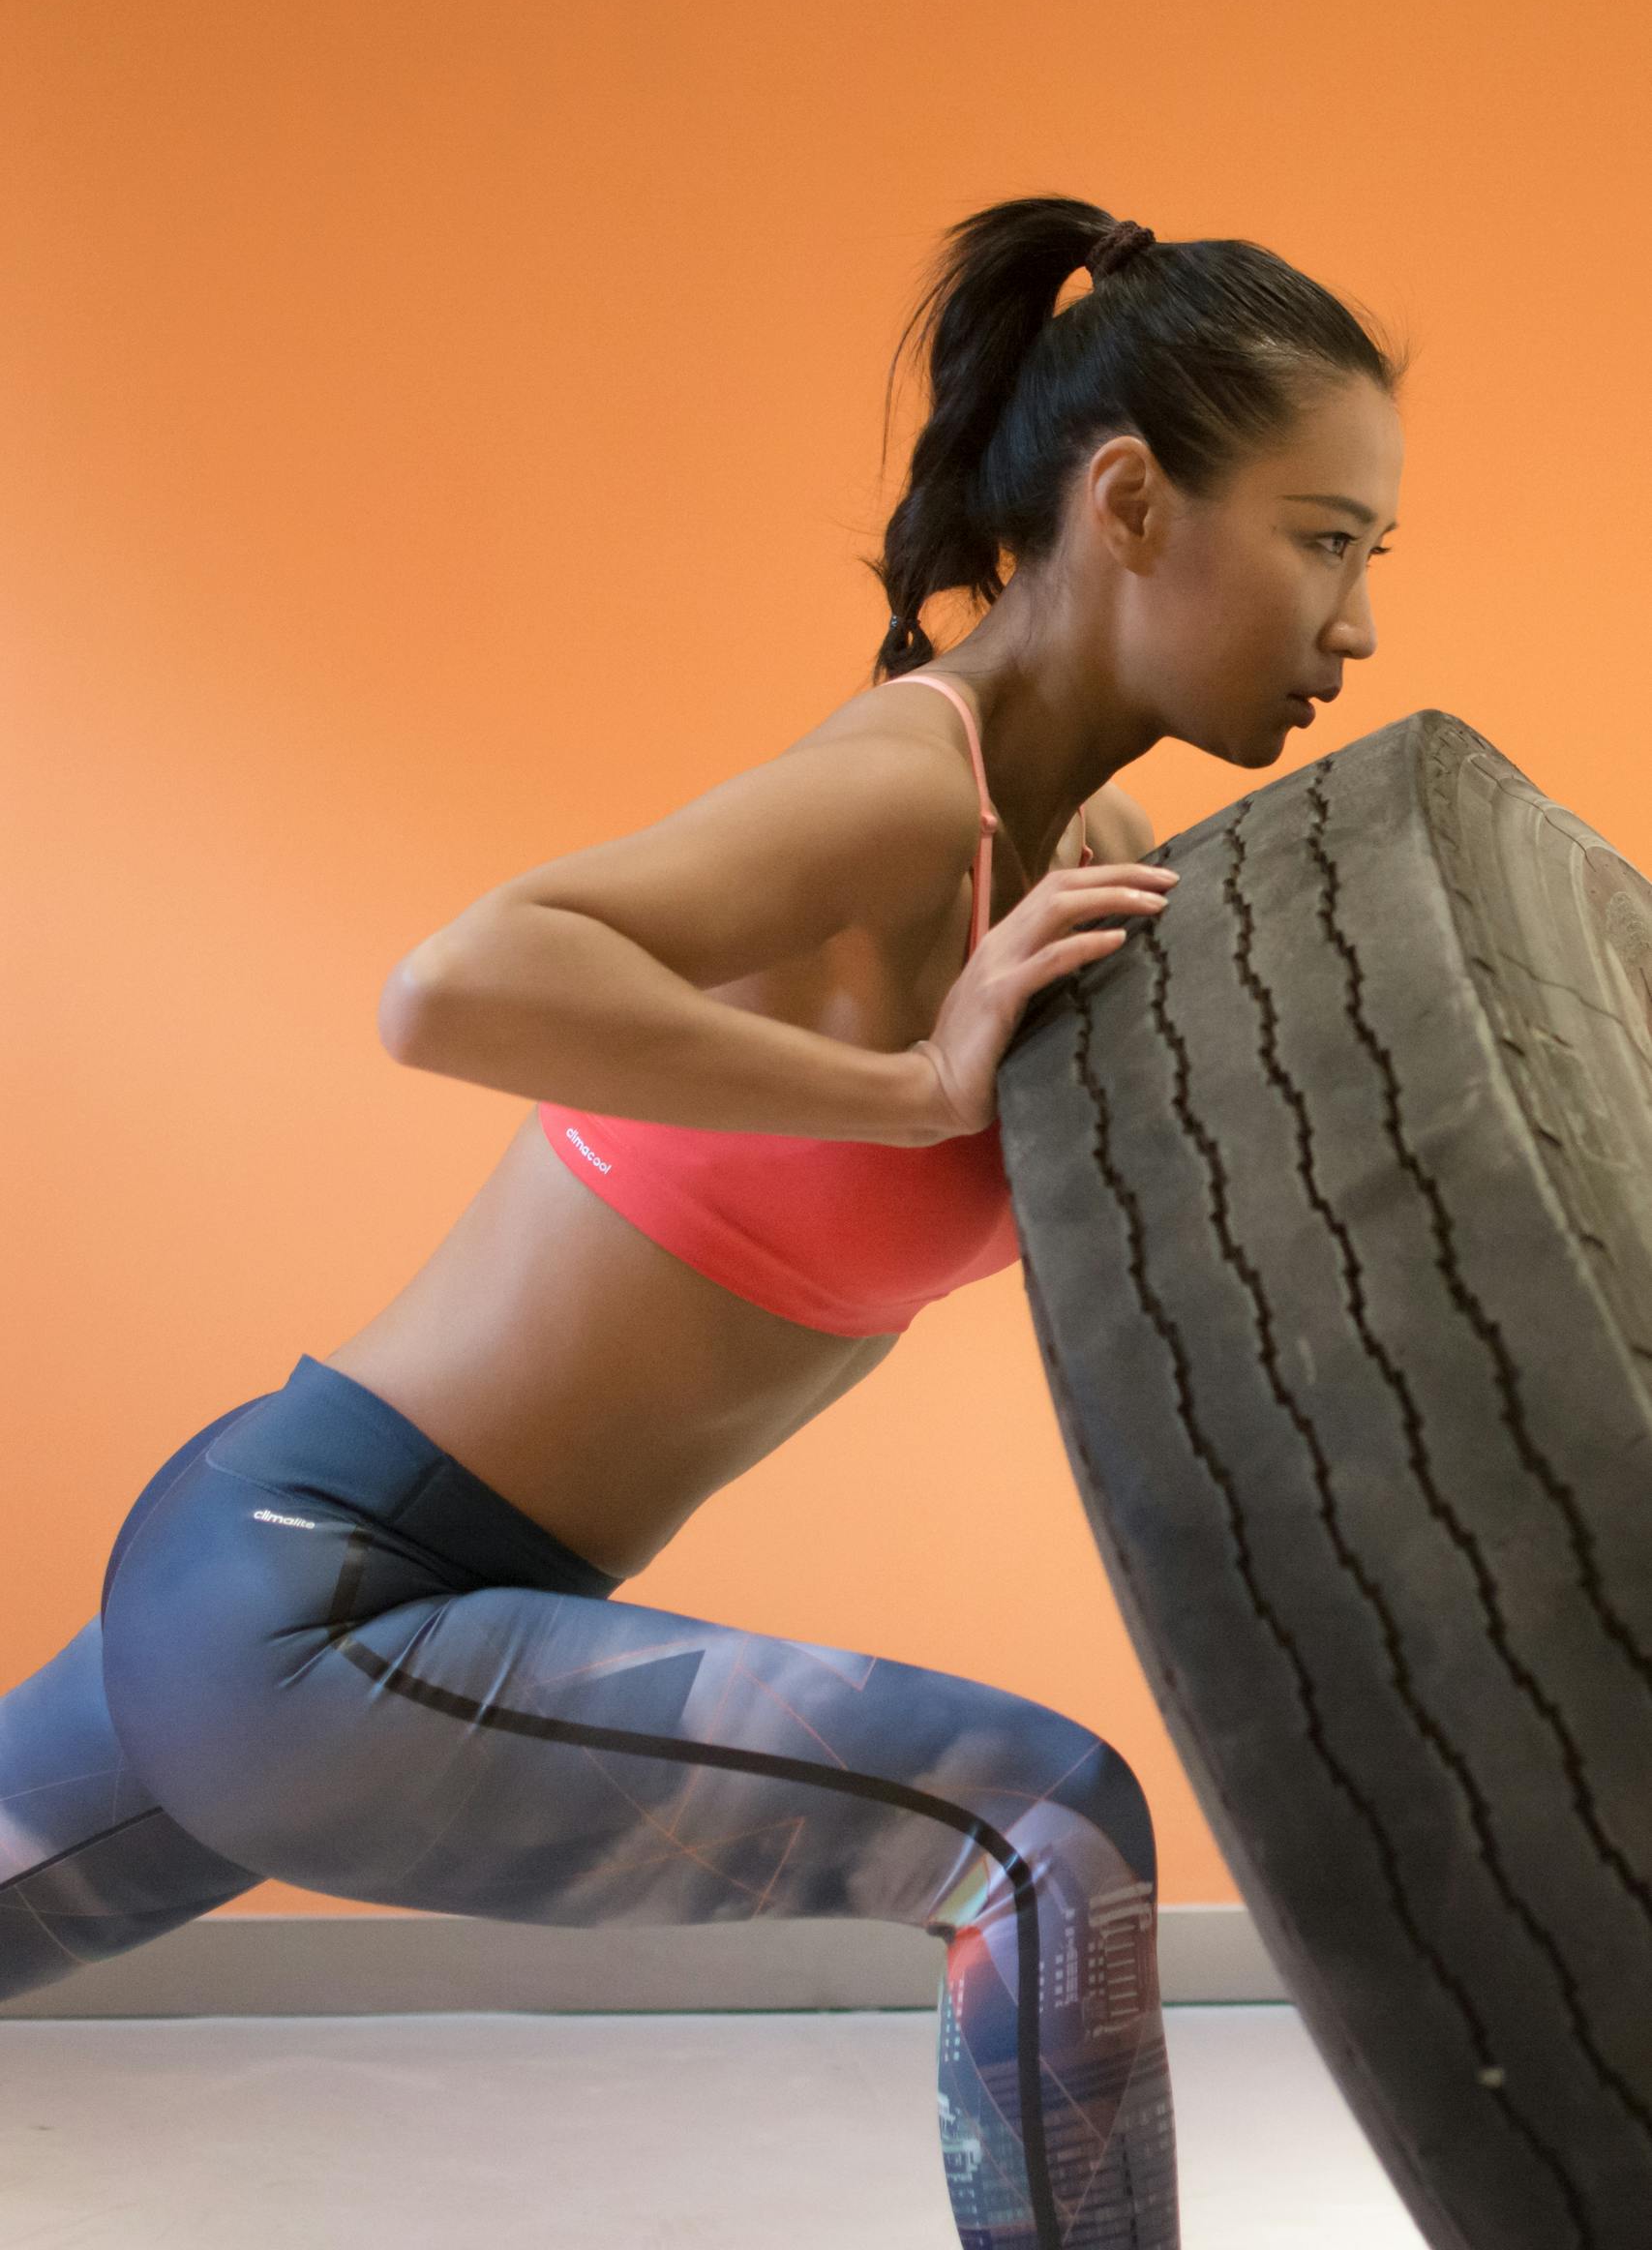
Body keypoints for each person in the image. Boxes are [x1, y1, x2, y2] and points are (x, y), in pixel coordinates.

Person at [1, 193, 1404, 2248]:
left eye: (1375, 557)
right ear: (1127, 500)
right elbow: (457, 978)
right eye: (1323, 540)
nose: (1356, 625)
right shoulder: (904, 791)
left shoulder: (1084, 848)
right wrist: (903, 1089)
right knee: (1035, 1826)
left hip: (366, 1594)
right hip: (313, 1595)